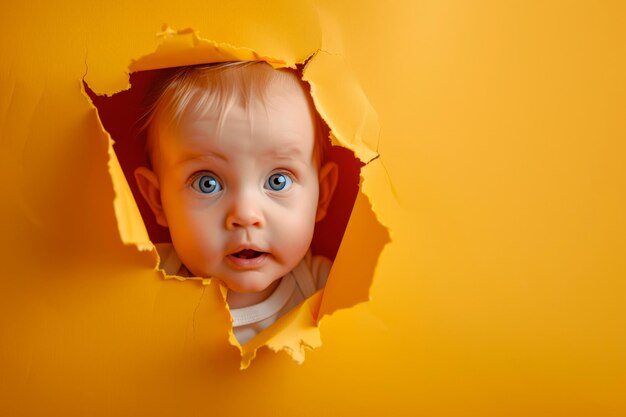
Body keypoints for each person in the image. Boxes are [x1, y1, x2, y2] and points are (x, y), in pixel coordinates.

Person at [134, 61, 338, 345]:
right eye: (208, 183)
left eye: (278, 180)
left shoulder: (325, 289)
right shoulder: (139, 286)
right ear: (158, 200)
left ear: (322, 195)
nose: (245, 215)